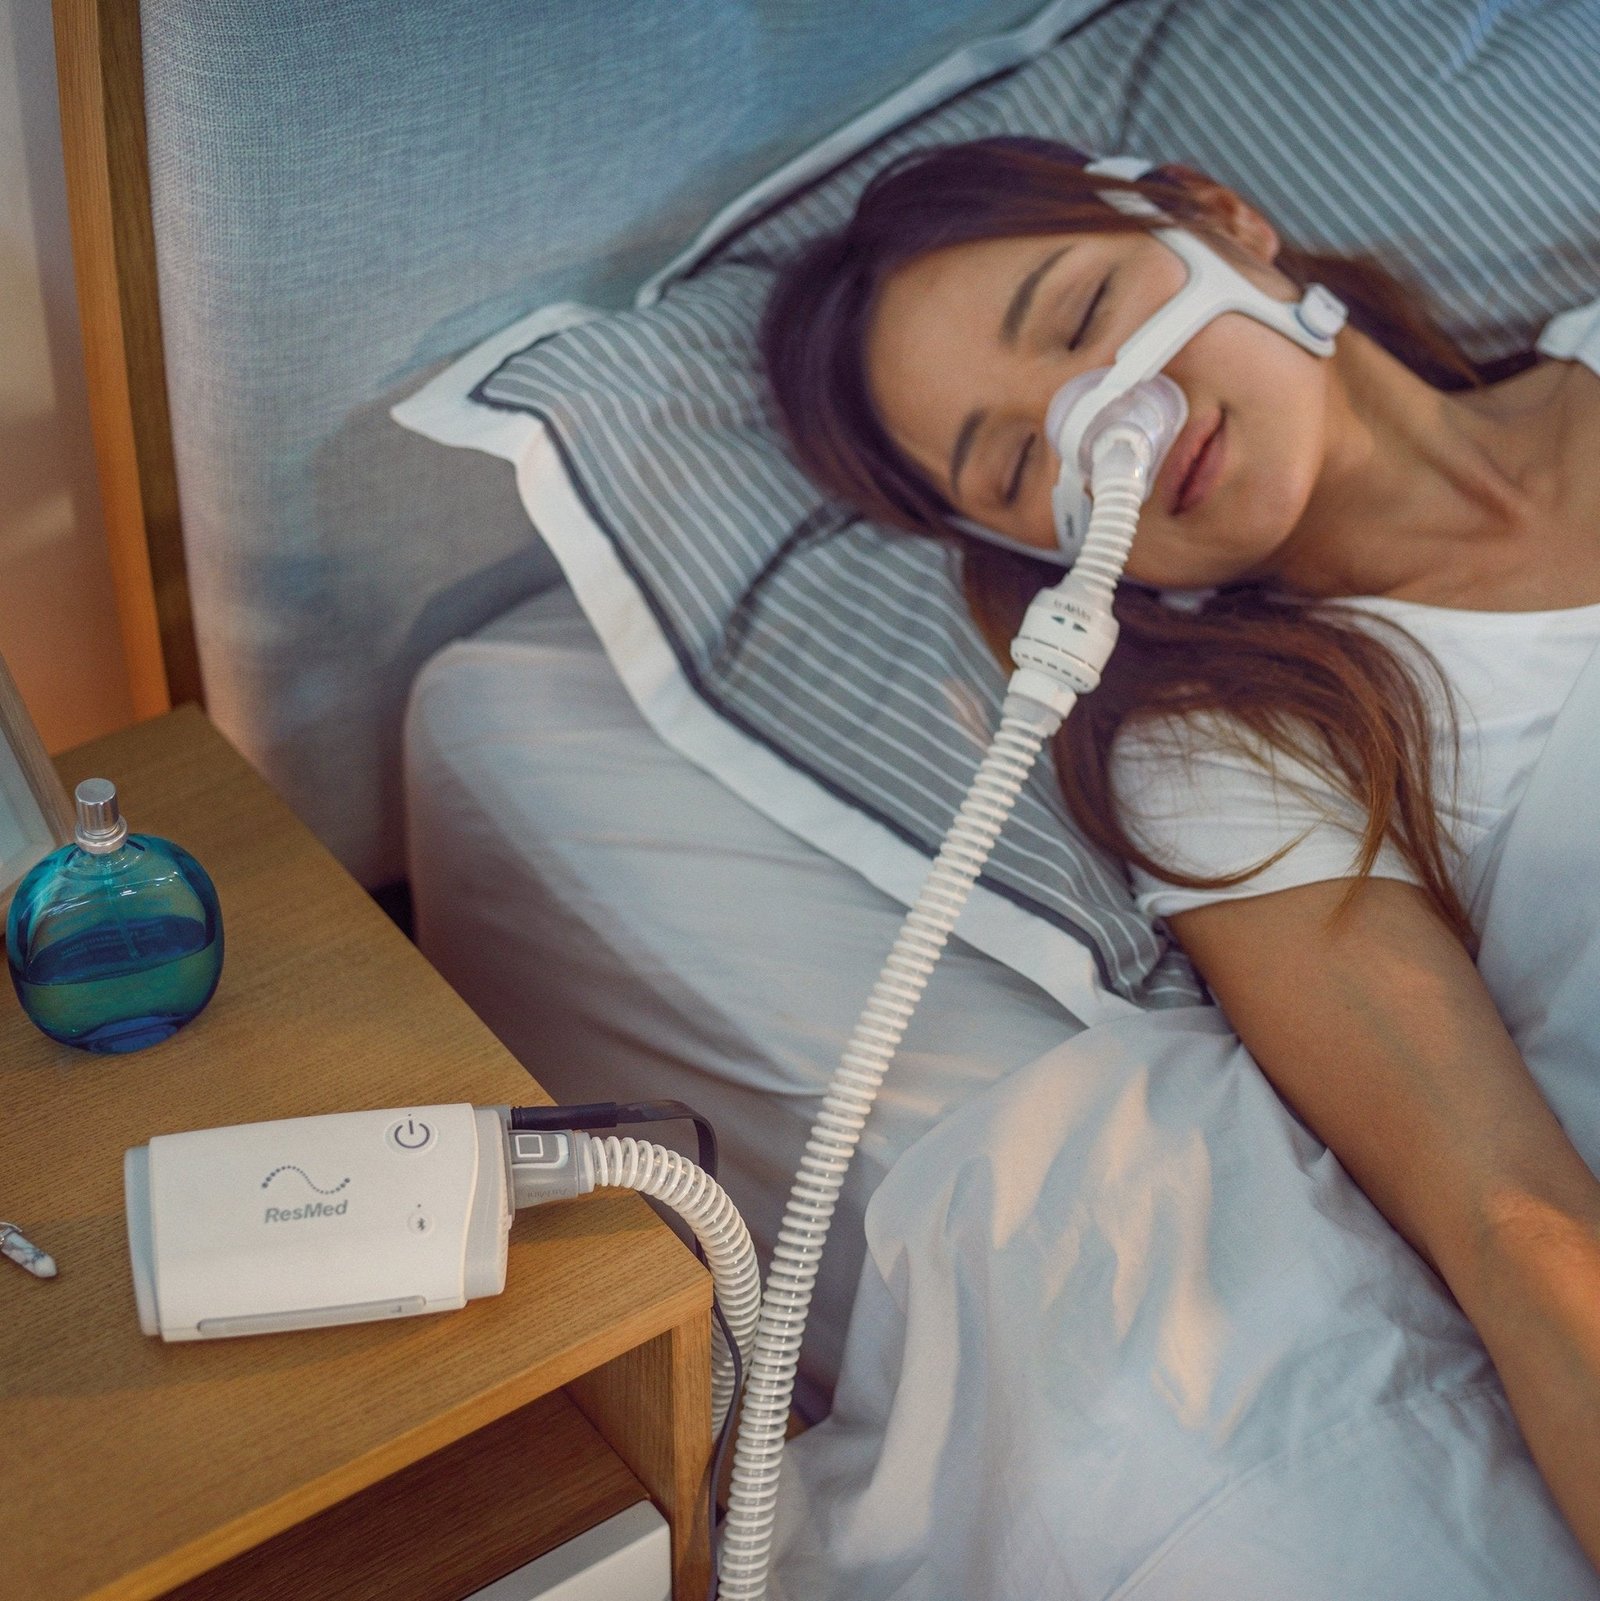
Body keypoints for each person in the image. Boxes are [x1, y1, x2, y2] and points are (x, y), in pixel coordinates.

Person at [758, 134, 1600, 1573]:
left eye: (1082, 314)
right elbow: (1509, 1217)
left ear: (1222, 217)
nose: (1108, 417)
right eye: (1019, 461)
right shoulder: (1234, 743)